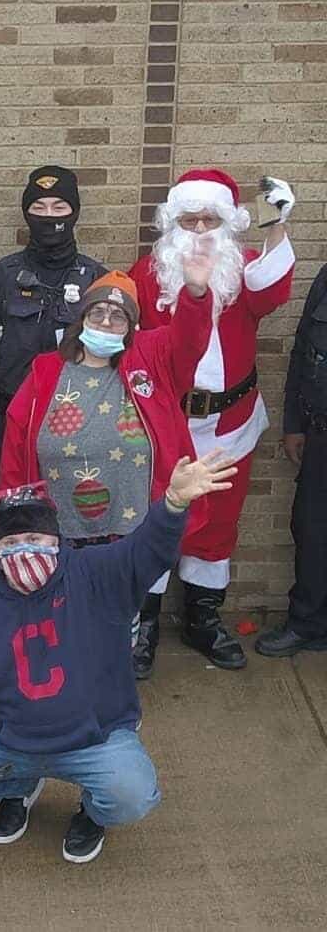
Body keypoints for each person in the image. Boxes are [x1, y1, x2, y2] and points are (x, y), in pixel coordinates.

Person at [0, 455, 237, 864]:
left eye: (36, 541)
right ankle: (17, 786)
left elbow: (145, 551)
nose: (25, 552)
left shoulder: (97, 574)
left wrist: (174, 502)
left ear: (57, 541)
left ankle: (92, 812)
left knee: (133, 795)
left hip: (95, 736)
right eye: (11, 545)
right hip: (10, 737)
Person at [0, 266, 214, 679]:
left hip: (128, 525)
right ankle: (65, 686)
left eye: (119, 316)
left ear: (131, 327)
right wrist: (13, 507)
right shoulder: (46, 370)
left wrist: (196, 293)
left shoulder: (151, 359)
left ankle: (111, 687)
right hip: (59, 525)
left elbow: (189, 338)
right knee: (62, 617)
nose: (107, 322)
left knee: (118, 622)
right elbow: (16, 436)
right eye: (98, 313)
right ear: (81, 318)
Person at [128, 170, 296, 669]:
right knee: (155, 519)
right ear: (171, 223)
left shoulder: (243, 269)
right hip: (165, 424)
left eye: (210, 218)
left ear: (227, 223)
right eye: (189, 218)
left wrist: (276, 226)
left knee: (217, 524)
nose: (200, 228)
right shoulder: (146, 273)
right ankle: (145, 624)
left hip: (231, 424)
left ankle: (203, 620)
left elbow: (272, 288)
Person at [0, 166, 106, 536]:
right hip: (9, 416)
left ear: (74, 212)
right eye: (38, 208)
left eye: (59, 207)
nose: (48, 217)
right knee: (4, 516)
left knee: (73, 517)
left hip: (76, 419)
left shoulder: (96, 280)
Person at [264, 200, 327, 655]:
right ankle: (307, 623)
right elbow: (303, 350)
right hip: (320, 435)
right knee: (311, 530)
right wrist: (293, 424)